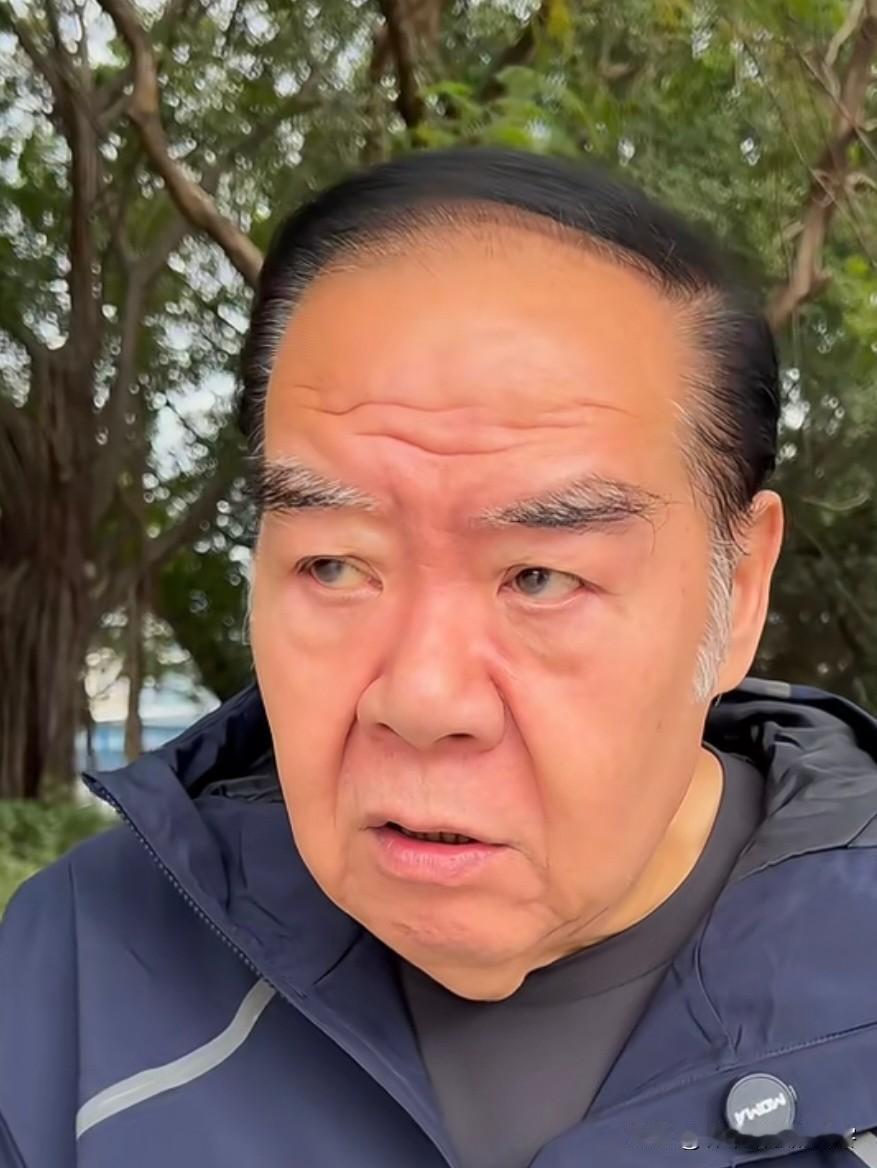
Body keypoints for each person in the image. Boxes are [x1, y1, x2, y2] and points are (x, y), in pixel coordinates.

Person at [2, 147, 877, 1168]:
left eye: (540, 577)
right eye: (334, 565)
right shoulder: (79, 971)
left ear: (740, 590)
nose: (420, 699)